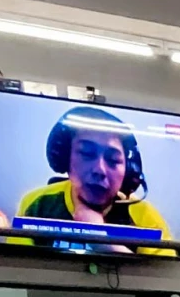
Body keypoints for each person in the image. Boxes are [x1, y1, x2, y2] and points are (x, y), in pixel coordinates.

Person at [13, 106, 169, 250]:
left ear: (129, 171)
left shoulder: (146, 218)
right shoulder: (36, 205)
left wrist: (100, 239)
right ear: (65, 158)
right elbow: (16, 270)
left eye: (113, 159)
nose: (99, 170)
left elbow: (164, 279)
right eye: (86, 153)